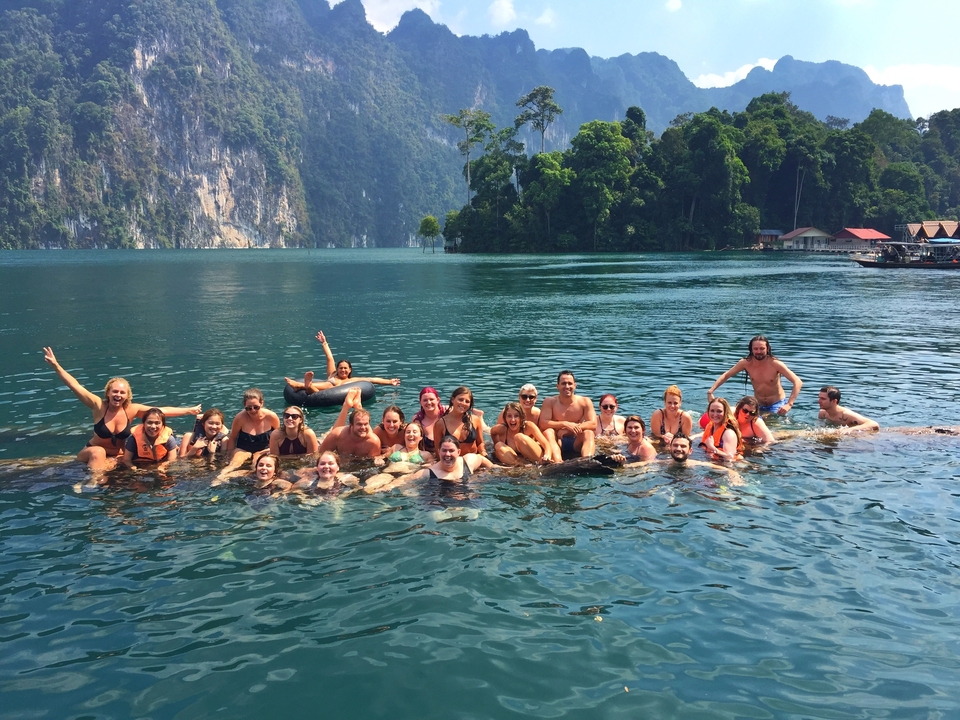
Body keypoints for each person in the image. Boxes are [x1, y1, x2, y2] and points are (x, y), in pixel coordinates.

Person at [42, 347, 201, 472]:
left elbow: (159, 411)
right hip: (93, 452)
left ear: (127, 395)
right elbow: (75, 385)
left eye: (122, 392)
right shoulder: (98, 405)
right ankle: (92, 482)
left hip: (118, 456)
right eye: (115, 392)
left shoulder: (132, 409)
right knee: (98, 452)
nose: (118, 395)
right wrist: (56, 366)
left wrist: (188, 411)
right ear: (108, 393)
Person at [707, 335, 802, 415]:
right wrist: (711, 391)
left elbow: (797, 382)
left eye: (762, 348)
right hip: (757, 405)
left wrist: (789, 404)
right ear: (751, 349)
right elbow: (726, 375)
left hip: (777, 405)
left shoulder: (775, 364)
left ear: (767, 348)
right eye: (755, 349)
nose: (759, 352)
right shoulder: (745, 363)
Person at [285, 330, 400, 393]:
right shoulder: (333, 374)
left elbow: (372, 379)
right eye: (340, 368)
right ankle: (306, 385)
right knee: (326, 385)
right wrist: (324, 342)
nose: (343, 370)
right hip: (322, 390)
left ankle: (303, 385)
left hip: (326, 392)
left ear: (350, 370)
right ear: (337, 369)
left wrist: (389, 382)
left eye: (345, 368)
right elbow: (329, 357)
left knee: (321, 388)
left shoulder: (353, 380)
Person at [538, 371, 597, 460]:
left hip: (576, 441)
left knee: (589, 433)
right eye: (563, 383)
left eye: (570, 383)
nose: (567, 387)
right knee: (548, 432)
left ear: (575, 385)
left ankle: (587, 460)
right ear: (557, 386)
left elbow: (593, 424)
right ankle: (558, 462)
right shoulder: (550, 401)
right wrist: (565, 424)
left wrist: (570, 430)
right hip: (558, 441)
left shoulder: (585, 402)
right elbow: (543, 423)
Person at [222, 389, 280, 473]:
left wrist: (272, 450)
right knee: (233, 465)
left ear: (261, 403)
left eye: (256, 407)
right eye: (248, 408)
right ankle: (217, 480)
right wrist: (229, 454)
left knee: (256, 466)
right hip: (243, 449)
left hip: (264, 450)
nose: (253, 410)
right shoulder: (239, 418)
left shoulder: (271, 417)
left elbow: (279, 437)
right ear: (244, 406)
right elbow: (233, 438)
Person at [432, 386, 487, 457]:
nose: (463, 403)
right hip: (451, 462)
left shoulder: (475, 420)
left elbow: (480, 443)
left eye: (467, 401)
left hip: (473, 460)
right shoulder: (440, 424)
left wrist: (483, 452)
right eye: (460, 400)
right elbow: (438, 451)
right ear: (452, 400)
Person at [292, 451, 360, 497]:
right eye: (322, 464)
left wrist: (343, 495)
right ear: (317, 468)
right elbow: (293, 491)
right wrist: (304, 498)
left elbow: (357, 488)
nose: (326, 466)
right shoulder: (306, 482)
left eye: (331, 463)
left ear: (338, 467)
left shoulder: (348, 479)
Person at [412, 387, 445, 453]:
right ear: (420, 402)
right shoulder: (417, 420)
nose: (429, 402)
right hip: (430, 458)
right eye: (425, 400)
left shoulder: (447, 412)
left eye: (431, 399)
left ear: (438, 400)